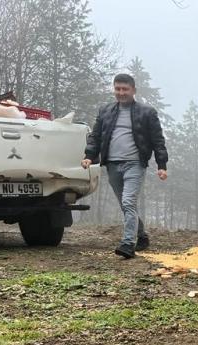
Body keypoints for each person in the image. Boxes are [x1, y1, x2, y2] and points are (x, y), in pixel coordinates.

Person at [82, 73, 168, 259]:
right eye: (118, 89)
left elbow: (157, 140)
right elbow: (95, 136)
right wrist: (89, 156)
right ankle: (142, 235)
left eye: (125, 89)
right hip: (112, 165)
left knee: (128, 202)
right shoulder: (105, 111)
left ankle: (128, 244)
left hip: (135, 164)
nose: (121, 93)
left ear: (133, 90)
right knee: (125, 205)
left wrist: (161, 164)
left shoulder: (147, 112)